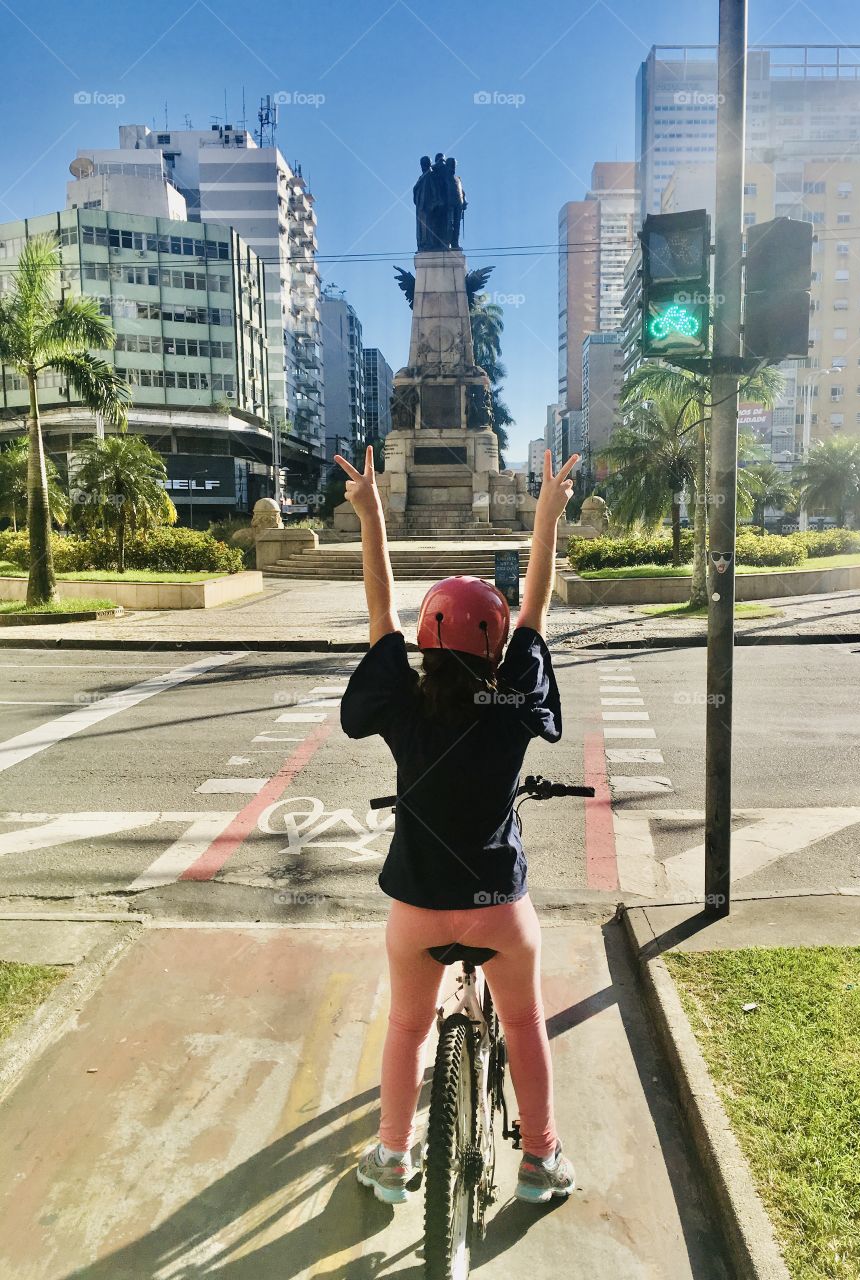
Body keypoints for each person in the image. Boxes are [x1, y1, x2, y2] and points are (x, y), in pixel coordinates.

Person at [333, 444, 580, 1207]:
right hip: (499, 907)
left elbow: (380, 611)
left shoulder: (404, 702)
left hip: (416, 904)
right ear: (496, 643)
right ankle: (541, 1162)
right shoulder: (513, 700)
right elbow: (535, 606)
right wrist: (547, 518)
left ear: (427, 638)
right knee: (526, 1018)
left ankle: (392, 1158)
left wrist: (371, 513)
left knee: (407, 1026)